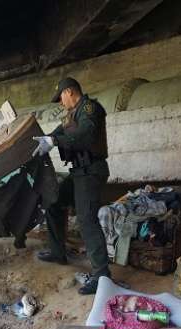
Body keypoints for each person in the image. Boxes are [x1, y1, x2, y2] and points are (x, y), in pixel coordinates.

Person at [32, 77, 111, 295]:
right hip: (78, 172)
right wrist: (45, 139)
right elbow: (59, 132)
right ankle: (58, 252)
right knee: (54, 201)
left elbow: (84, 135)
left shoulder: (89, 108)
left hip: (91, 172)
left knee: (87, 220)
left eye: (60, 98)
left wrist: (55, 142)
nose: (60, 103)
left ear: (69, 92)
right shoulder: (71, 114)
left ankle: (101, 275)